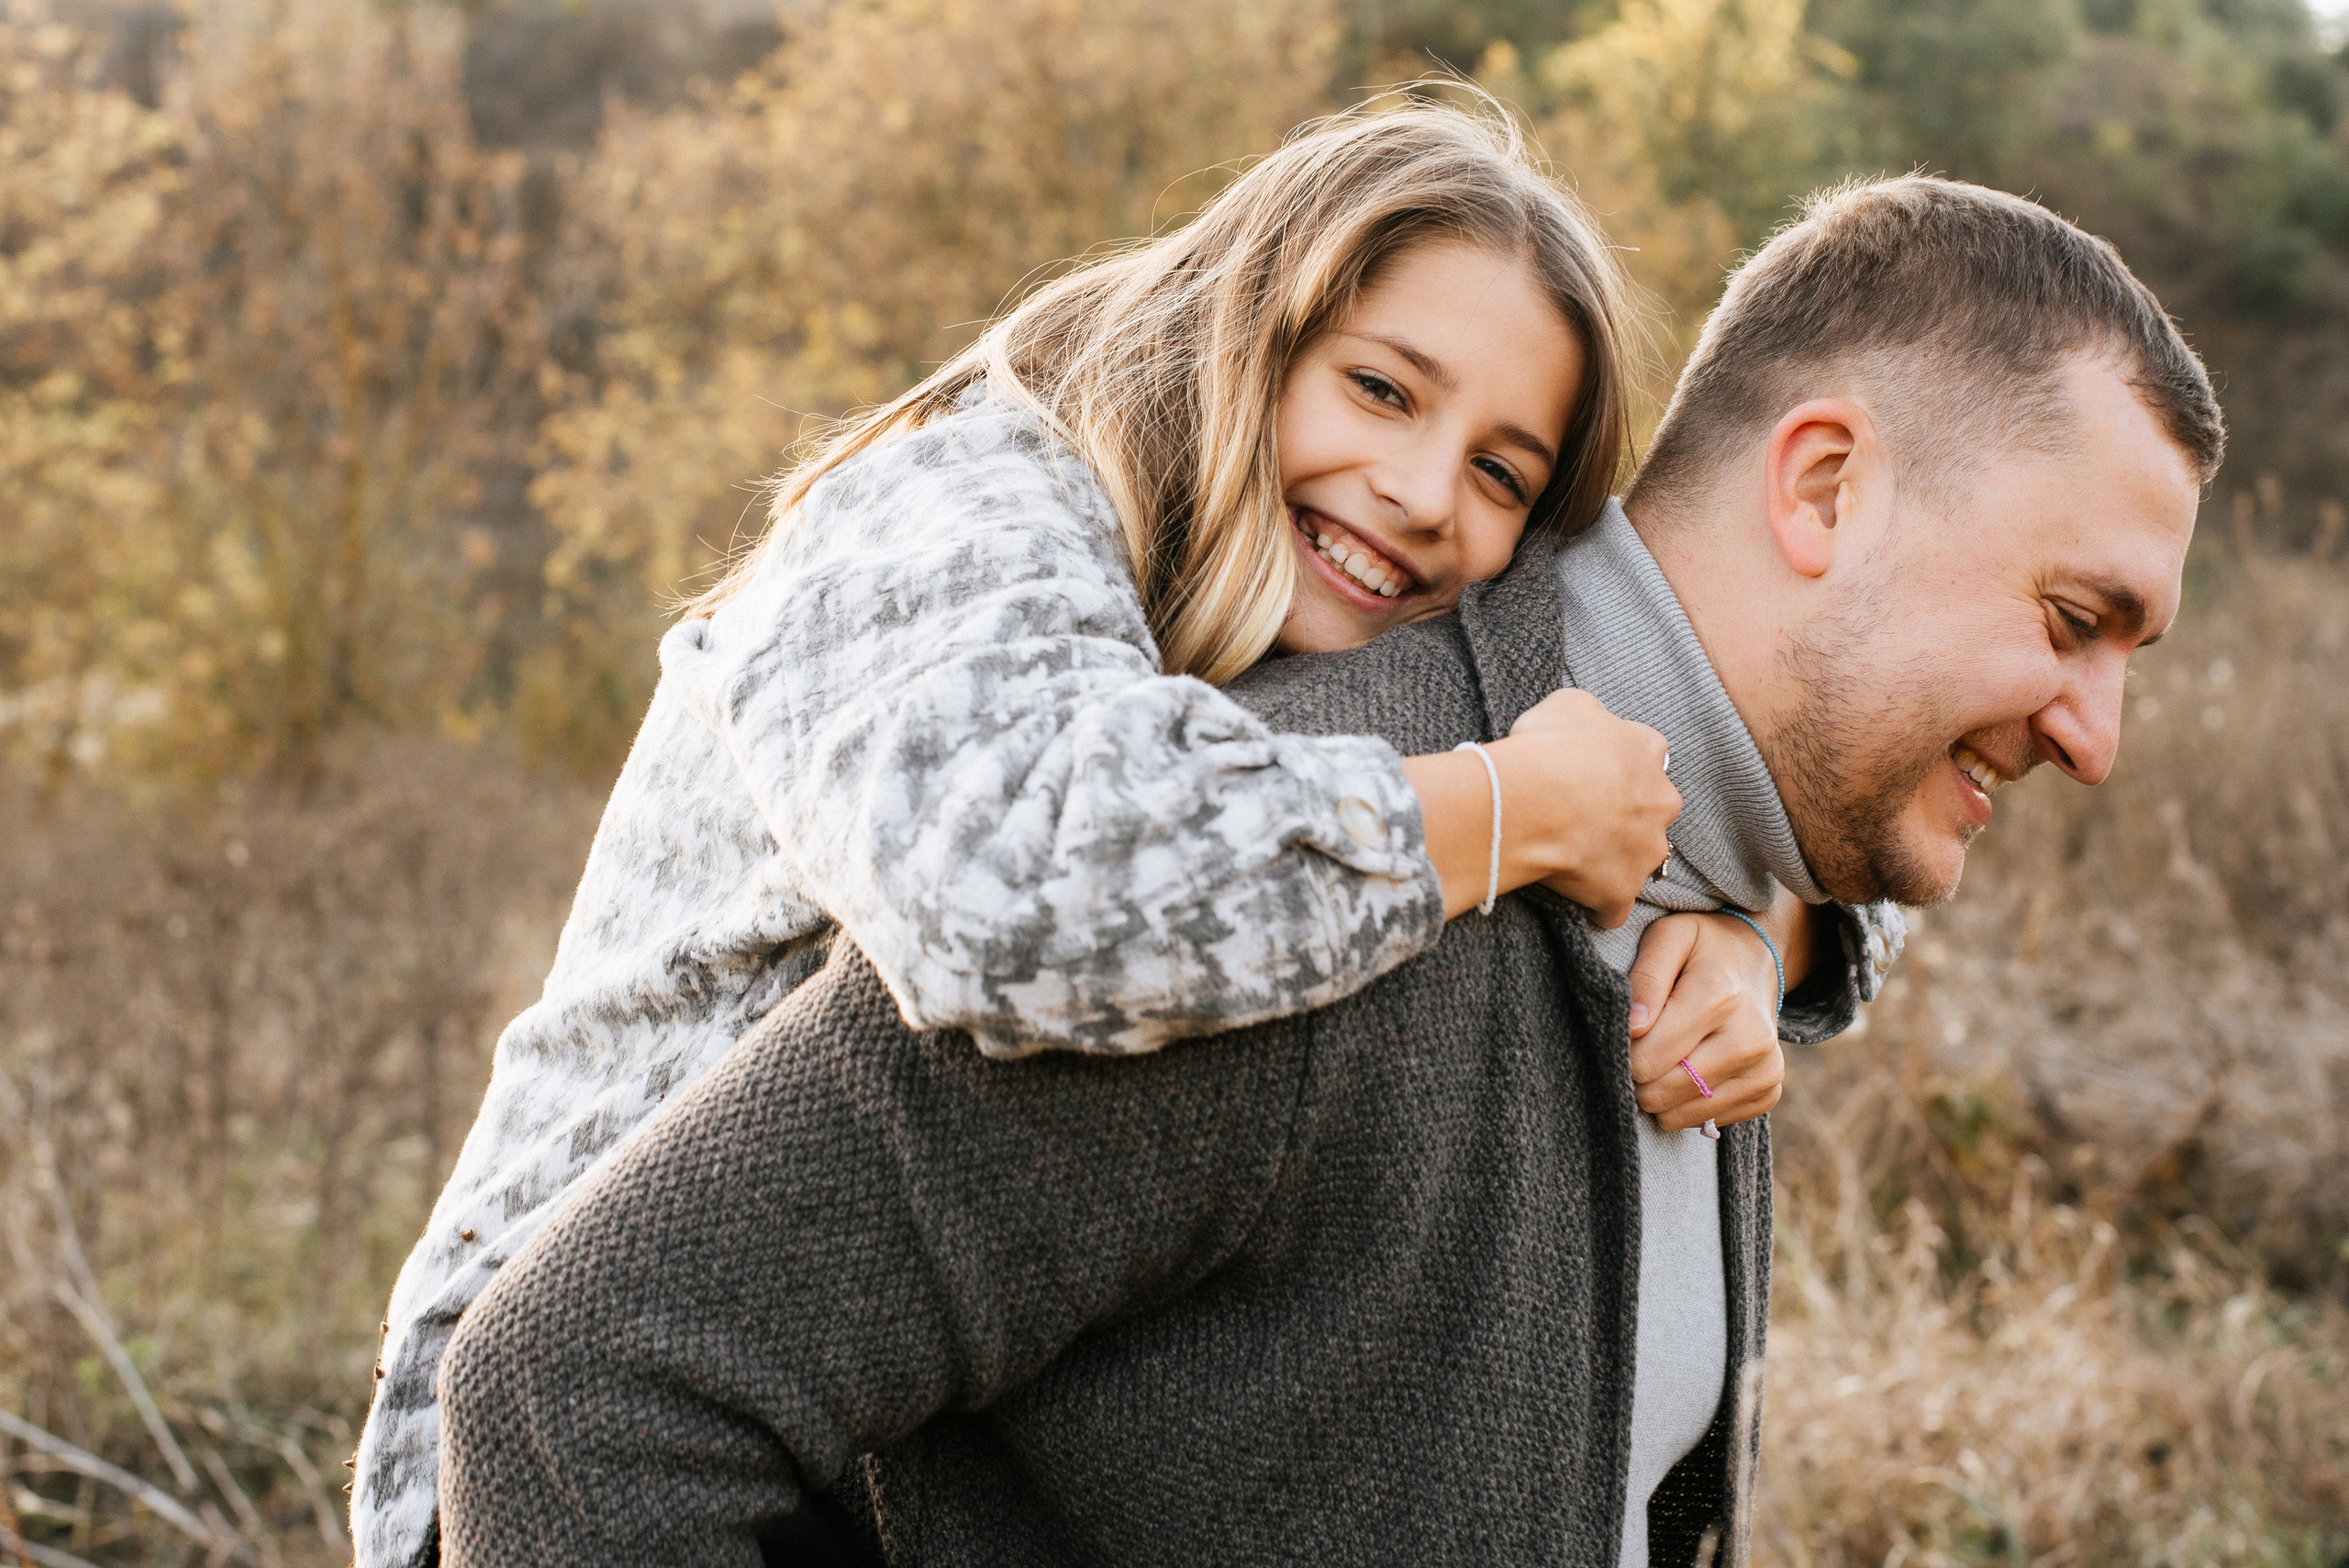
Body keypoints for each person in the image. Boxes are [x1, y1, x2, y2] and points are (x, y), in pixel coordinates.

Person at [426, 174, 2220, 1567]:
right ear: (1816, 488)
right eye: (2072, 621)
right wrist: (1493, 820)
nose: (2096, 733)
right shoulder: (1235, 858)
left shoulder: (1699, 848)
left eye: (1502, 467)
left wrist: (1762, 923)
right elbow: (573, 1390)